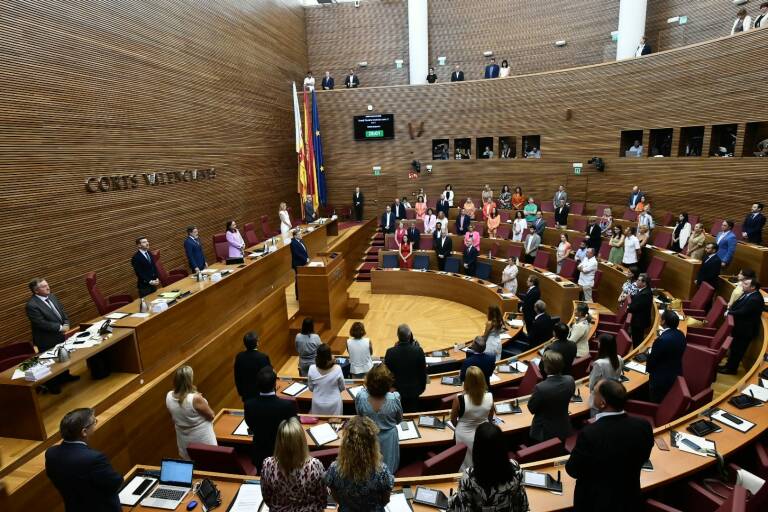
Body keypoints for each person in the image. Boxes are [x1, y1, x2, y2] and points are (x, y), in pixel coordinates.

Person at [566, 379, 654, 512]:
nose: (591, 394)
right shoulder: (643, 425)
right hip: (629, 498)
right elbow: (644, 456)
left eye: (594, 393)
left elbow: (573, 470)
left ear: (602, 403)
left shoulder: (590, 434)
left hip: (595, 503)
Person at [45, 408, 123, 512]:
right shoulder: (93, 458)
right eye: (94, 422)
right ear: (84, 432)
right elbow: (115, 482)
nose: (95, 424)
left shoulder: (51, 454)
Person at [447, 422, 528, 511]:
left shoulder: (468, 477)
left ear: (477, 448)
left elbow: (463, 510)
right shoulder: (515, 468)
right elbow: (523, 505)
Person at [324, 416, 395, 512]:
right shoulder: (381, 470)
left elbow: (336, 498)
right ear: (373, 444)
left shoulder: (334, 469)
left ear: (346, 443)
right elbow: (385, 500)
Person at [260, 417, 326, 512]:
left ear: (279, 441)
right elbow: (322, 499)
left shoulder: (268, 464)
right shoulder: (314, 465)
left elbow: (267, 497)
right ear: (301, 440)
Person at [25, 278, 77, 394]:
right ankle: (53, 385)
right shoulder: (32, 305)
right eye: (44, 286)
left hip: (59, 335)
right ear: (36, 291)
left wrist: (66, 323)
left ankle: (65, 376)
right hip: (46, 339)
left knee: (62, 355)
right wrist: (60, 328)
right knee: (51, 362)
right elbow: (40, 323)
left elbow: (62, 311)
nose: (48, 287)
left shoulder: (52, 296)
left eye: (47, 285)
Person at [244, 367, 297, 472]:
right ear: (275, 385)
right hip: (283, 454)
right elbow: (294, 428)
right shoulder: (287, 406)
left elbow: (249, 423)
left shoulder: (249, 405)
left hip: (260, 454)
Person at [354, 364, 403, 473]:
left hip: (368, 436)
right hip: (389, 439)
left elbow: (359, 416)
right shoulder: (395, 398)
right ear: (388, 383)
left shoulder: (361, 397)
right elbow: (399, 420)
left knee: (370, 469)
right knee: (388, 470)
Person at [165, 366, 216, 459]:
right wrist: (201, 400)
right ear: (189, 380)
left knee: (190, 464)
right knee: (209, 463)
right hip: (202, 439)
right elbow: (211, 415)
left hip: (184, 440)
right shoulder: (195, 398)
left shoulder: (169, 396)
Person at [451, 366, 494, 471]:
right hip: (482, 434)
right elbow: (490, 417)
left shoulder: (459, 398)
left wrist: (459, 426)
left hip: (463, 435)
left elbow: (453, 419)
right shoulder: (490, 397)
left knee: (464, 466)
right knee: (480, 461)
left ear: (467, 381)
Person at [719, 277, 764, 374]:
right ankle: (728, 365)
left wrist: (729, 313)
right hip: (740, 328)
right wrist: (730, 310)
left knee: (738, 350)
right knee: (734, 348)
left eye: (745, 284)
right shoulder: (747, 294)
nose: (742, 285)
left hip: (745, 331)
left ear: (753, 287)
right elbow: (737, 305)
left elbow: (743, 312)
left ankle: (731, 369)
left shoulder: (755, 299)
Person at [528, 351, 575, 442]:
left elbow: (531, 409)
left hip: (544, 432)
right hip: (564, 427)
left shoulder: (541, 388)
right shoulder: (570, 380)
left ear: (546, 369)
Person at [384, 324, 426, 412]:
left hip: (395, 393)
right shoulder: (418, 351)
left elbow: (386, 374)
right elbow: (423, 373)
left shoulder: (390, 352)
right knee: (412, 414)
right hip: (414, 391)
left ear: (398, 336)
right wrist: (421, 388)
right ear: (410, 335)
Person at [646, 310, 686, 403]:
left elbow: (653, 360)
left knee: (656, 401)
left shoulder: (662, 340)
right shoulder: (681, 335)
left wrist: (648, 355)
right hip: (675, 374)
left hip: (660, 379)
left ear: (663, 321)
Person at [587, 334, 624, 417]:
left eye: (599, 342)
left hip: (599, 399)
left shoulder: (599, 363)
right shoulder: (620, 358)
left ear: (603, 345)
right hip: (612, 396)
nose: (598, 343)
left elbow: (592, 385)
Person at [308, 344, 345, 415]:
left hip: (317, 403)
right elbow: (342, 387)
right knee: (335, 424)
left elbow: (311, 388)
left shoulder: (311, 368)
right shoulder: (337, 368)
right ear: (329, 355)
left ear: (317, 355)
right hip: (334, 403)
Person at [234, 331, 271, 401]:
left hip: (246, 394)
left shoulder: (239, 356)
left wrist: (241, 392)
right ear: (257, 343)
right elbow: (268, 375)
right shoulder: (263, 357)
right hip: (260, 394)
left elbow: (237, 376)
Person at [628, 274, 653, 348]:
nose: (636, 281)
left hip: (639, 322)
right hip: (639, 320)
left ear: (644, 283)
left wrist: (627, 307)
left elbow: (635, 307)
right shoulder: (644, 291)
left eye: (639, 280)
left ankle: (636, 355)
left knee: (637, 341)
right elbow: (636, 298)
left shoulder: (645, 294)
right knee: (636, 339)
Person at [290, 229, 310, 298]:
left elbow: (304, 250)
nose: (301, 235)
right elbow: (297, 254)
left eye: (301, 233)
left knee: (303, 279)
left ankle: (304, 293)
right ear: (295, 236)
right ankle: (298, 296)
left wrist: (307, 258)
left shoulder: (300, 240)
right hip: (298, 264)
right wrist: (305, 259)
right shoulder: (293, 243)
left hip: (303, 262)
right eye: (299, 234)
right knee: (298, 280)